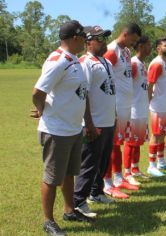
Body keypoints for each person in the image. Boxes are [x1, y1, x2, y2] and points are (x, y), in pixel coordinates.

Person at [31, 20, 93, 236]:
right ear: (75, 38)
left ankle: (69, 210)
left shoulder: (73, 59)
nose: (86, 40)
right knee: (52, 177)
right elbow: (38, 92)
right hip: (57, 131)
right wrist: (42, 111)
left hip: (73, 128)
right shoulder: (58, 61)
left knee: (69, 173)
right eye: (83, 37)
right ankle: (48, 221)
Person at [73, 25, 117, 218]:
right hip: (95, 122)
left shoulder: (105, 61)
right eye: (100, 39)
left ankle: (96, 192)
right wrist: (89, 123)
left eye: (105, 38)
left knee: (103, 160)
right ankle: (78, 201)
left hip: (108, 120)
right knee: (89, 163)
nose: (104, 42)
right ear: (88, 42)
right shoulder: (85, 62)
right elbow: (84, 94)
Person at [103, 23, 142, 196]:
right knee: (111, 145)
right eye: (133, 39)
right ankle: (107, 182)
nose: (134, 43)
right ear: (125, 34)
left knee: (118, 143)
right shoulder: (111, 51)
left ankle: (119, 178)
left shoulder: (125, 52)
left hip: (126, 105)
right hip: (115, 105)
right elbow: (102, 78)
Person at [125, 35, 152, 185]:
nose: (150, 48)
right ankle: (127, 172)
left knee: (138, 142)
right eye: (148, 45)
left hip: (142, 108)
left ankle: (135, 169)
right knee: (131, 142)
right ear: (140, 46)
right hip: (133, 110)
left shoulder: (142, 64)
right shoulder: (133, 64)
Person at [147, 37, 166, 177]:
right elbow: (150, 85)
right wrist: (149, 101)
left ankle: (161, 162)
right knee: (156, 135)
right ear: (158, 48)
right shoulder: (156, 63)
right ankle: (151, 166)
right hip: (158, 106)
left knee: (163, 134)